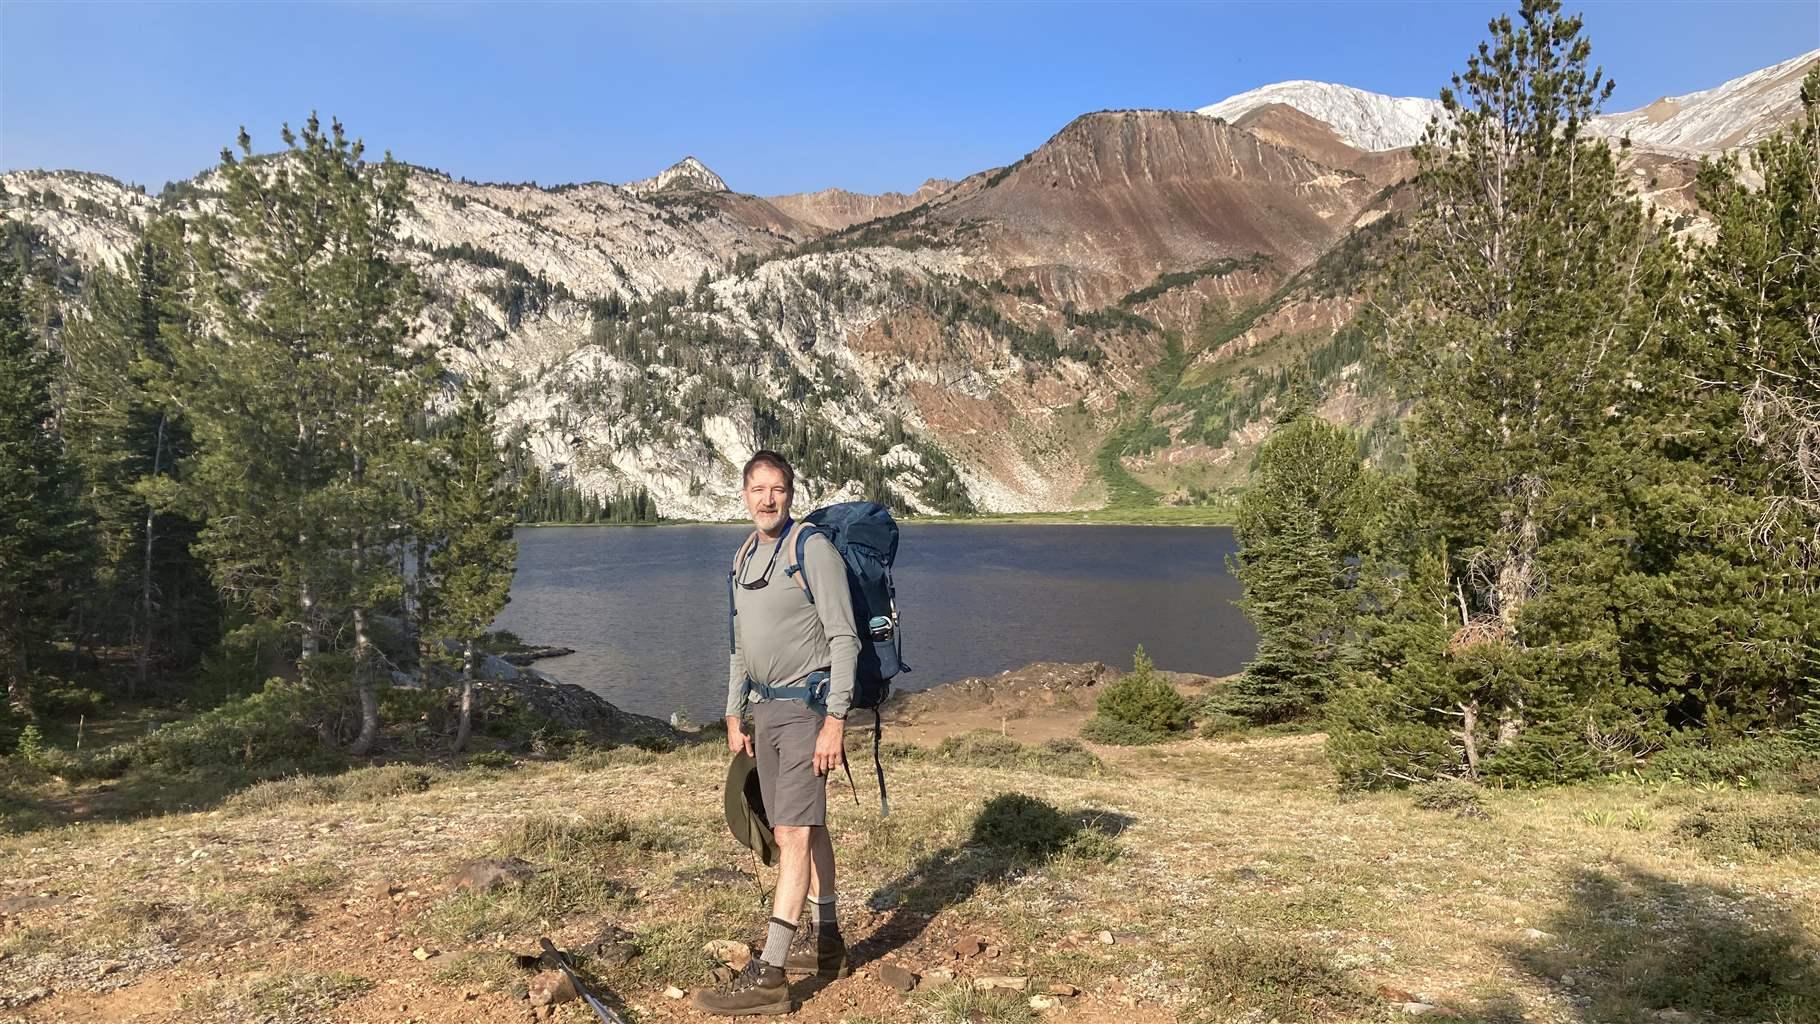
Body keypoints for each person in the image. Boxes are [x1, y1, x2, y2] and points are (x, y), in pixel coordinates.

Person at [693, 450, 859, 1016]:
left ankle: (770, 974)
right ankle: (828, 941)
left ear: (792, 493)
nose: (768, 499)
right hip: (765, 713)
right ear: (744, 494)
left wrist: (836, 719)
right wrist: (734, 711)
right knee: (809, 826)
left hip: (806, 712)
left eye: (779, 489)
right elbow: (740, 645)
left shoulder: (811, 550)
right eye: (759, 489)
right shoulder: (743, 556)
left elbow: (845, 639)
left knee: (791, 834)